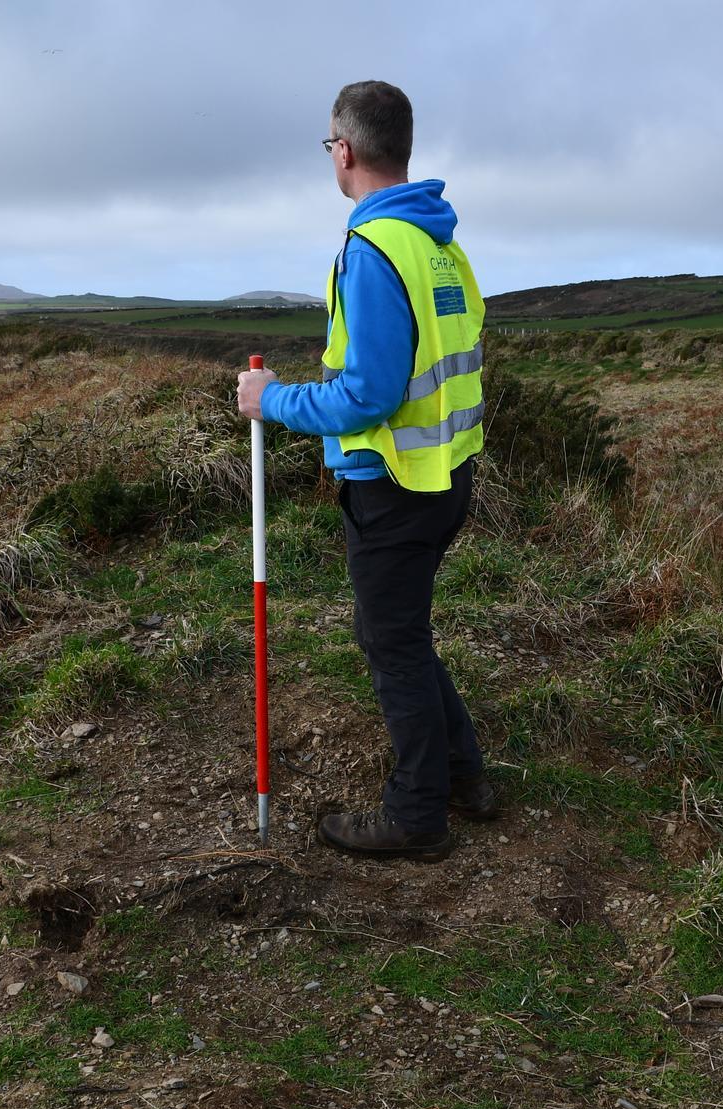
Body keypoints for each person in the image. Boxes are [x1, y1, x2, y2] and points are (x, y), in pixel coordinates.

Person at [236, 79, 499, 862]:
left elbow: (369, 394)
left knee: (392, 645)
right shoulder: (440, 244)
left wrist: (271, 400)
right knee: (400, 635)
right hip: (449, 473)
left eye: (329, 144)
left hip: (395, 485)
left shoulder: (373, 248)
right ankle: (464, 777)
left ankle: (418, 814)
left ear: (344, 151)